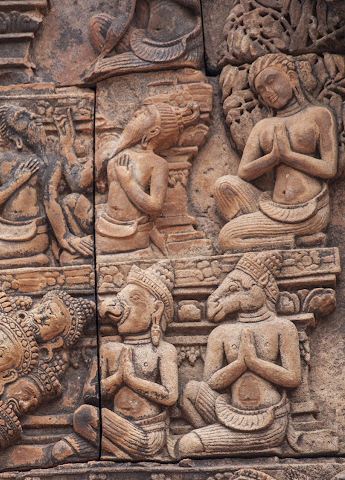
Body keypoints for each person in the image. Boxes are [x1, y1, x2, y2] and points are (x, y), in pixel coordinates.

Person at [175, 252, 301, 457]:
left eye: (235, 290)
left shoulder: (282, 327)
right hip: (229, 411)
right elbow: (211, 381)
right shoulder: (221, 333)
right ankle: (216, 436)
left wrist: (254, 362)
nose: (223, 299)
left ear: (260, 285)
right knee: (191, 390)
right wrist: (240, 364)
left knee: (187, 445)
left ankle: (230, 443)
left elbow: (293, 377)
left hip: (267, 419)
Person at [214, 53, 339, 251]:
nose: (268, 92)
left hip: (309, 209)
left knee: (227, 238)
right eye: (261, 90)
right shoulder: (264, 126)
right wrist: (273, 158)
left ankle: (292, 241)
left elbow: (329, 168)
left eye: (272, 81)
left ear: (291, 76)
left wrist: (289, 156)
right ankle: (289, 240)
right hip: (272, 205)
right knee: (224, 185)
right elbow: (244, 172)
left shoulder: (318, 115)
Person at [53, 262, 178, 460]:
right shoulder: (108, 350)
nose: (122, 306)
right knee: (61, 447)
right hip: (114, 428)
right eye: (121, 299)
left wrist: (131, 381)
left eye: (134, 299)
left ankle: (117, 454)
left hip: (148, 434)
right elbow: (90, 394)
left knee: (73, 437)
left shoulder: (164, 350)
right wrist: (117, 379)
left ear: (156, 309)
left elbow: (170, 396)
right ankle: (115, 452)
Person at [0, 106, 93, 270]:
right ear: (13, 136)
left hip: (31, 234)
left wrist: (65, 237)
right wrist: (17, 181)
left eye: (28, 113)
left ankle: (30, 259)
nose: (32, 115)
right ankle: (32, 261)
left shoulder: (48, 162)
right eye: (21, 117)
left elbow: (51, 202)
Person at [95, 102, 199, 257]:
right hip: (105, 221)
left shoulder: (157, 163)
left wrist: (128, 183)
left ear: (153, 131)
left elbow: (155, 206)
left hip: (130, 232)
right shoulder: (115, 150)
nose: (136, 114)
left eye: (144, 114)